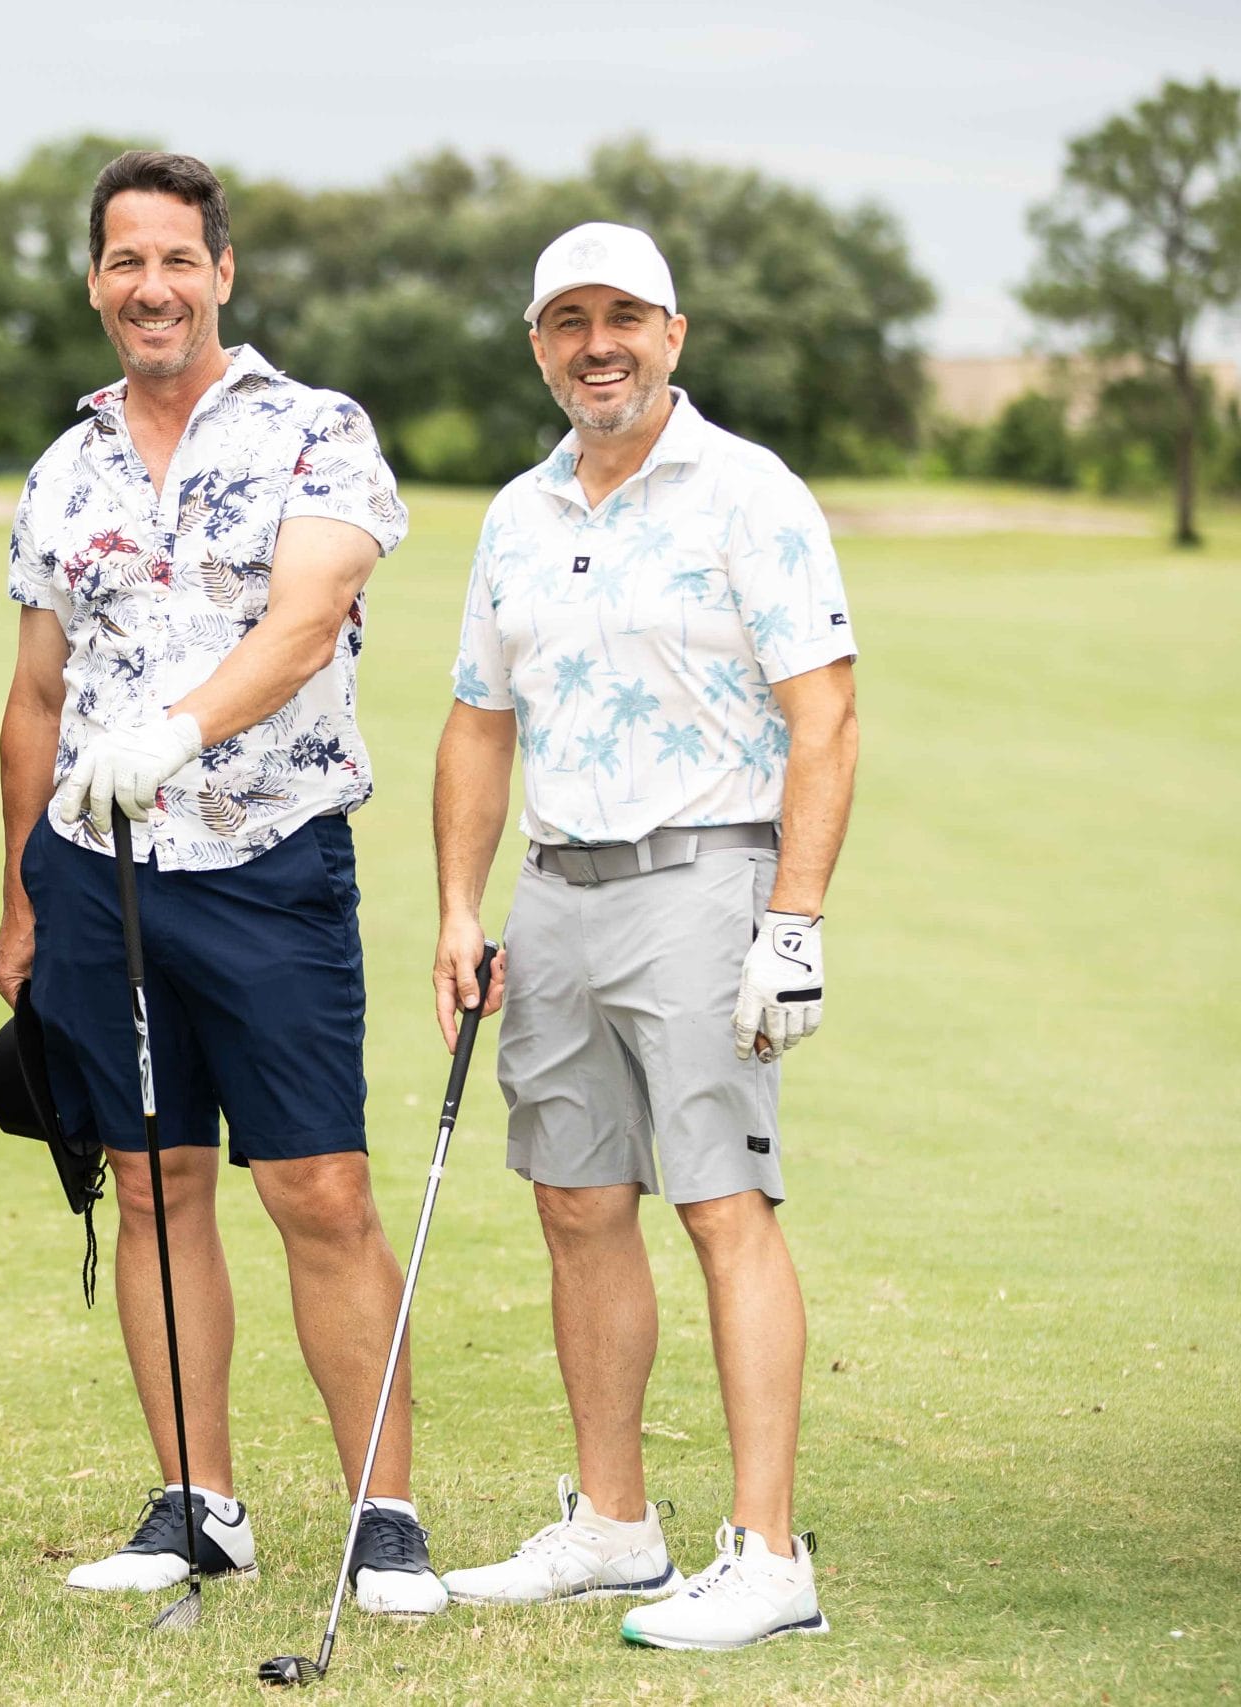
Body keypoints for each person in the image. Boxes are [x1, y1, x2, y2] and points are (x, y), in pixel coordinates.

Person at [0, 150, 444, 1617]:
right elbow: (35, 694)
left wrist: (171, 735)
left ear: (222, 272)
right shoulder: (65, 468)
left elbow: (308, 621)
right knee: (149, 1182)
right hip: (97, 877)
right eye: (125, 262)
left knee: (320, 1189)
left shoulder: (318, 430)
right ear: (95, 283)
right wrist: (22, 896)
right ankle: (199, 1505)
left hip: (265, 865)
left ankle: (384, 1514)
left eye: (177, 259)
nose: (152, 287)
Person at [430, 221, 859, 1650]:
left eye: (624, 316)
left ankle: (770, 1557)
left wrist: (792, 922)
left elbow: (825, 715)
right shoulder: (518, 512)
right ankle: (615, 1528)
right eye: (569, 321)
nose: (597, 344)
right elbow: (479, 722)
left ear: (673, 334)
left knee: (722, 1204)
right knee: (575, 1202)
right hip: (556, 891)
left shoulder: (751, 491)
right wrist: (459, 908)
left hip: (706, 880)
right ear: (538, 345)